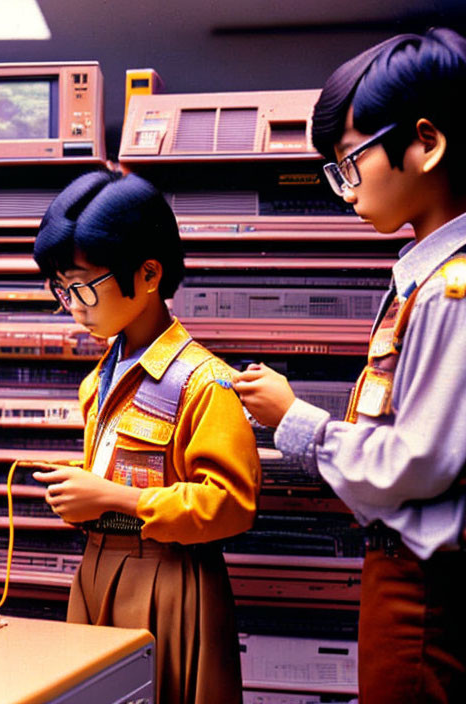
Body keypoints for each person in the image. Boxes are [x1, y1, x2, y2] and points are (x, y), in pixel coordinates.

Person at [233, 28, 466, 704]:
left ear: (425, 143)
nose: (344, 189)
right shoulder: (426, 279)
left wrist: (295, 421)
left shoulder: (453, 291)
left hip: (424, 586)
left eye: (350, 161)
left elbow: (415, 462)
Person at [31, 170, 260, 704]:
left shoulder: (204, 380)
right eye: (62, 289)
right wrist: (85, 497)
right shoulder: (102, 376)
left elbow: (232, 504)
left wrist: (115, 498)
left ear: (149, 273)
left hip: (172, 580)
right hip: (97, 566)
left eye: (85, 286)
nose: (74, 305)